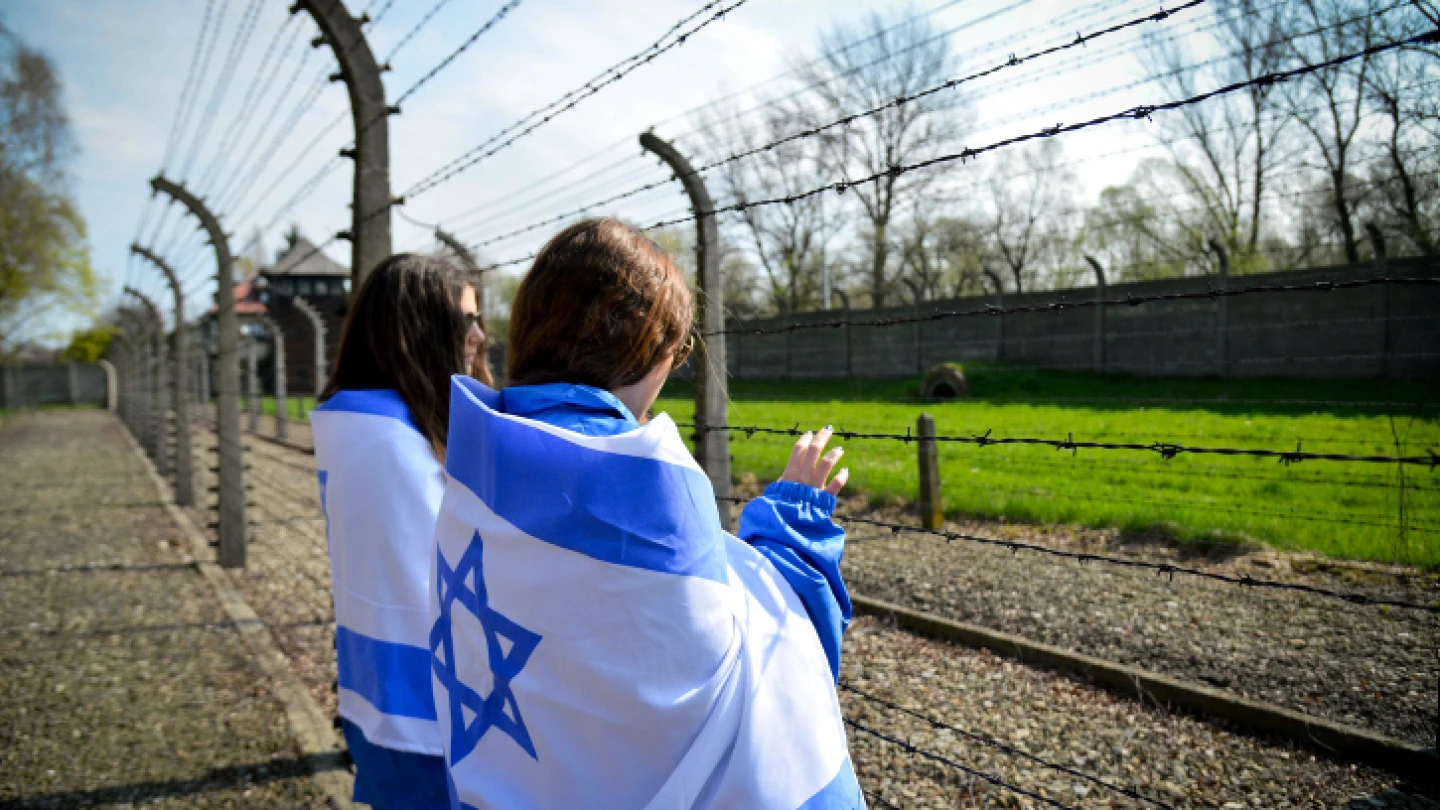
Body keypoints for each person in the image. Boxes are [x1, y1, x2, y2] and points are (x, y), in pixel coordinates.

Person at [429, 219, 862, 809]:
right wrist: (795, 527)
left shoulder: (474, 455)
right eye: (679, 346)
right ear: (653, 348)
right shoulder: (646, 470)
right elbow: (752, 661)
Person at [310, 253, 488, 809]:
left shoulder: (361, 424)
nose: (480, 336)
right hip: (433, 718)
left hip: (384, 693)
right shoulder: (395, 448)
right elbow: (466, 576)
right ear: (418, 330)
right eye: (464, 321)